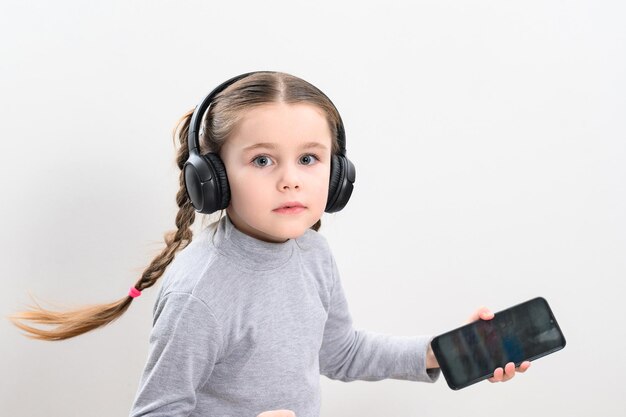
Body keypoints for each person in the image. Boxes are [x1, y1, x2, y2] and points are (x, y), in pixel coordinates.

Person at [9, 71, 530, 417]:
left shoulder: (313, 254)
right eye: (262, 160)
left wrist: (440, 353)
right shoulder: (201, 295)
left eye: (309, 159)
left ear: (338, 172)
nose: (291, 180)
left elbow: (341, 352)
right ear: (211, 178)